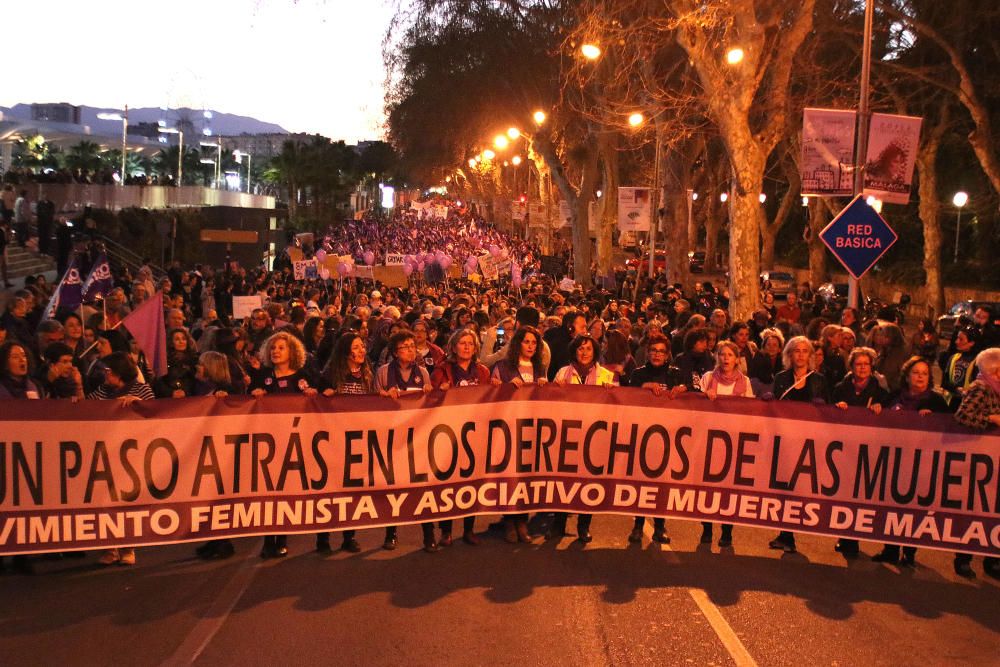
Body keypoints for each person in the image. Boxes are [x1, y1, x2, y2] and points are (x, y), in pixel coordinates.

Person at [870, 356, 950, 567]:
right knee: (890, 507)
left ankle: (909, 551)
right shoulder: (895, 396)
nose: (920, 377)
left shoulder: (936, 401)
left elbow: (949, 427)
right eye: (916, 373)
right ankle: (890, 549)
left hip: (921, 463)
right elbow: (880, 416)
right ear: (907, 376)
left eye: (924, 373)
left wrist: (933, 418)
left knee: (913, 508)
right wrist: (878, 408)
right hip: (893, 460)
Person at [250, 331, 319, 558]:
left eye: (281, 348)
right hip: (269, 444)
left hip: (294, 443)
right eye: (273, 348)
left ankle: (282, 538)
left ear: (292, 352)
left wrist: (314, 393)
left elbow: (325, 390)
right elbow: (244, 399)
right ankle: (268, 539)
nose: (276, 351)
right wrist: (254, 393)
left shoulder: (302, 376)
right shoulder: (263, 376)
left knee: (287, 492)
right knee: (268, 492)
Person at [87, 351, 155, 566]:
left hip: (131, 454)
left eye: (108, 370)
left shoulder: (141, 389)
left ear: (119, 372)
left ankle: (128, 546)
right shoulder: (103, 391)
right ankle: (110, 548)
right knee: (104, 499)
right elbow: (85, 409)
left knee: (127, 500)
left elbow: (156, 414)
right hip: (105, 452)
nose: (104, 375)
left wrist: (138, 404)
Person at [551, 334, 617, 542]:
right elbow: (550, 402)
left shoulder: (607, 375)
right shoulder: (563, 373)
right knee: (563, 480)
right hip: (566, 434)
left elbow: (617, 406)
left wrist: (612, 392)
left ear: (595, 352)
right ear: (574, 351)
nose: (584, 353)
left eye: (588, 349)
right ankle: (559, 523)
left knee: (589, 481)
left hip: (594, 436)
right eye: (580, 349)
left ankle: (583, 525)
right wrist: (556, 390)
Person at [375, 330, 437, 552]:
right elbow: (374, 401)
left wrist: (429, 392)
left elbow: (430, 404)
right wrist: (383, 395)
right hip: (393, 436)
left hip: (418, 436)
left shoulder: (422, 372)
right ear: (395, 352)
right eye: (406, 347)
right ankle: (391, 532)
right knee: (394, 485)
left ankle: (428, 534)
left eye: (413, 346)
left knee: (423, 486)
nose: (411, 350)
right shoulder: (383, 372)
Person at [431, 329, 490, 546]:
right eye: (462, 343)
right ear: (454, 347)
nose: (466, 347)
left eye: (470, 344)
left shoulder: (483, 371)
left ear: (475, 348)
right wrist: (440, 391)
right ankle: (445, 530)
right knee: (448, 483)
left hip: (474, 433)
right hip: (449, 432)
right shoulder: (442, 370)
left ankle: (468, 529)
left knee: (471, 482)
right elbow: (430, 399)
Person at [829, 347, 889, 557]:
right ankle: (843, 536)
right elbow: (828, 411)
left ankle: (853, 539)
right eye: (858, 364)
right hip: (843, 448)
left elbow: (891, 415)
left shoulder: (880, 392)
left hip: (868, 450)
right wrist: (837, 406)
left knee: (859, 495)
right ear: (852, 367)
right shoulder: (840, 388)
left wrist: (882, 408)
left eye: (866, 364)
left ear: (872, 368)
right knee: (844, 495)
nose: (862, 368)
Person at [626, 333, 686, 544]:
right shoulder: (638, 373)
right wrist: (643, 388)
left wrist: (684, 390)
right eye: (653, 351)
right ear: (647, 353)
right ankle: (638, 526)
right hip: (643, 435)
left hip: (669, 437)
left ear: (668, 354)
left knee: (662, 486)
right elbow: (627, 398)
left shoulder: (676, 374)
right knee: (642, 485)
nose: (657, 354)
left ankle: (660, 527)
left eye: (661, 351)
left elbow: (695, 397)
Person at [490, 325, 548, 544]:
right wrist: (505, 386)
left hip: (530, 428)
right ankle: (509, 519)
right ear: (518, 344)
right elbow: (492, 393)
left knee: (526, 476)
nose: (531, 346)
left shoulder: (539, 368)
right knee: (508, 474)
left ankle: (522, 520)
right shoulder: (503, 366)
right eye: (526, 342)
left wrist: (545, 386)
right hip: (507, 427)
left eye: (534, 343)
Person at [952, 347, 1000, 578]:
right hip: (979, 459)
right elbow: (963, 416)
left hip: (995, 459)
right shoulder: (981, 387)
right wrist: (991, 418)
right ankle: (964, 558)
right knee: (977, 510)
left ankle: (993, 559)